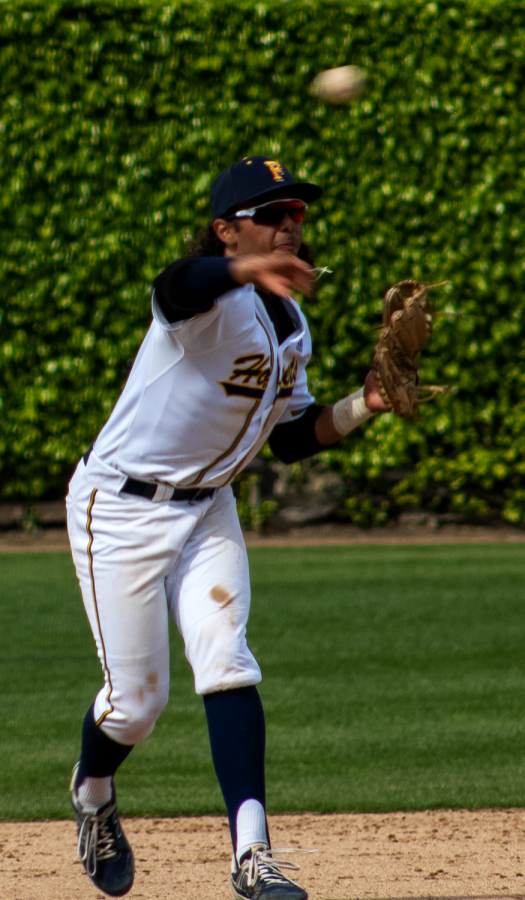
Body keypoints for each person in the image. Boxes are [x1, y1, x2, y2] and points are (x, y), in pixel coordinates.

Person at [66, 155, 388, 899]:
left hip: (208, 507)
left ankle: (253, 858)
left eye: (296, 214)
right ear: (224, 231)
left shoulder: (291, 322)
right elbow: (174, 285)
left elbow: (290, 436)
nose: (288, 224)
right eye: (270, 213)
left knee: (226, 660)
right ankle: (92, 793)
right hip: (118, 509)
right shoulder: (206, 298)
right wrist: (240, 271)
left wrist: (368, 402)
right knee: (135, 706)